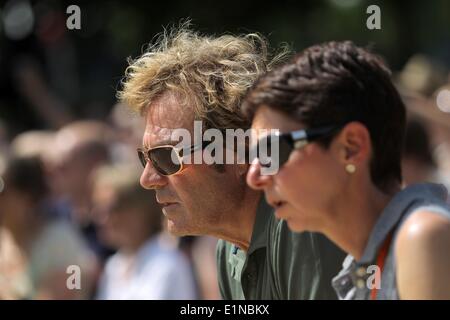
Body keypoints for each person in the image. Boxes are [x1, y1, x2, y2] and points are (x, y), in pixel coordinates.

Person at [118, 25, 345, 299]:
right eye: (145, 157)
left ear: (238, 152)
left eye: (166, 156)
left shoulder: (300, 224)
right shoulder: (230, 248)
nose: (147, 179)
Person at [243, 41, 450, 299]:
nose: (254, 177)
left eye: (273, 152)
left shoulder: (422, 236)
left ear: (351, 147)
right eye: (252, 157)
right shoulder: (365, 268)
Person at [93, 165, 197, 299]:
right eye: (99, 208)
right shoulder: (113, 266)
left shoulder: (169, 263)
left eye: (112, 209)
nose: (101, 218)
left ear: (141, 210)